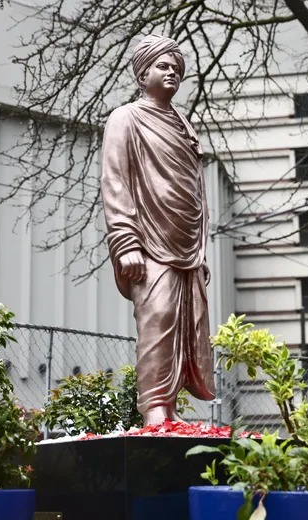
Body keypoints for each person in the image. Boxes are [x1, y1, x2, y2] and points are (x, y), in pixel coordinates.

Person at [101, 34, 215, 425]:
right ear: (142, 72)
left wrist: (200, 252)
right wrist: (125, 240)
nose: (172, 74)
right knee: (158, 317)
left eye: (177, 69)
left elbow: (195, 192)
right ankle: (153, 412)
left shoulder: (186, 126)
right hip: (147, 241)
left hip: (186, 243)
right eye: (164, 66)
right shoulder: (125, 118)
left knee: (186, 326)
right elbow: (115, 180)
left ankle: (169, 411)